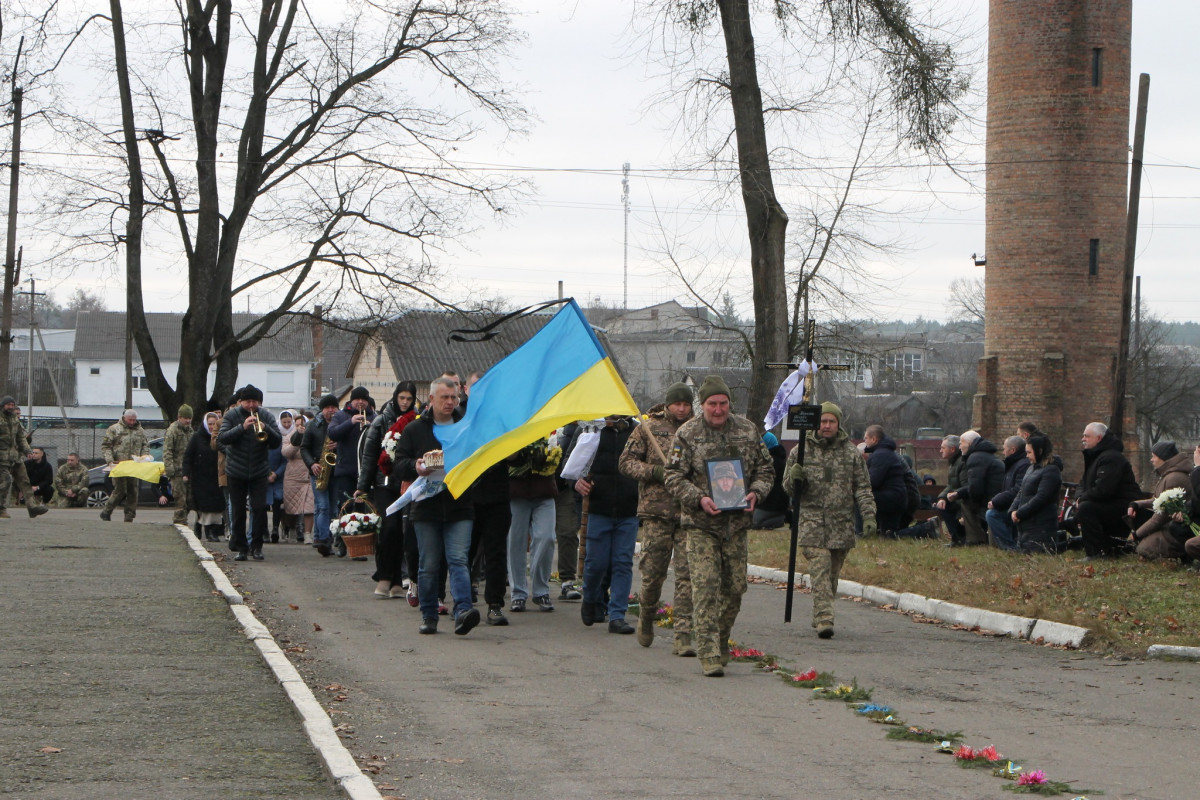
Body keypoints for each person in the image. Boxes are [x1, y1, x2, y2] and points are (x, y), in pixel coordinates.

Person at [664, 375, 773, 677]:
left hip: (736, 525)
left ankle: (721, 639)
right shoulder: (687, 434)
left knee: (735, 588)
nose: (718, 409)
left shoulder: (747, 430)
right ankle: (709, 651)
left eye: (723, 403)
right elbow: (672, 476)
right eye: (712, 404)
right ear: (703, 405)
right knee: (706, 587)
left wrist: (757, 492)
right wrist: (698, 499)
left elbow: (766, 468)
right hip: (701, 525)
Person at [393, 376, 480, 636]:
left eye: (454, 397)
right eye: (445, 397)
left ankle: (463, 611)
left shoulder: (465, 427)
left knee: (458, 560)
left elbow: (477, 460)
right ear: (431, 399)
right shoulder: (415, 430)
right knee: (429, 564)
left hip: (459, 505)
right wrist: (416, 466)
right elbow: (399, 463)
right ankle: (429, 615)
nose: (450, 402)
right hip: (426, 508)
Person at [783, 401, 876, 640]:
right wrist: (795, 479)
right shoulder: (800, 451)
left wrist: (868, 515)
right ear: (816, 423)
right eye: (823, 421)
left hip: (841, 524)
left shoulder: (851, 453)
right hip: (811, 521)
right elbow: (788, 489)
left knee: (832, 574)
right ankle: (825, 618)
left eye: (831, 422)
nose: (826, 426)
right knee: (820, 570)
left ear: (838, 424)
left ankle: (819, 611)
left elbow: (862, 488)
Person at [619, 381, 695, 653]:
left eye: (686, 404)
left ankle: (683, 634)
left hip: (688, 512)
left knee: (688, 575)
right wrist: (654, 472)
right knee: (653, 573)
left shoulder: (697, 430)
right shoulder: (648, 428)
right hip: (657, 512)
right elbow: (626, 463)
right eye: (677, 404)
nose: (682, 409)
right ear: (668, 404)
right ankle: (647, 616)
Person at [357, 382, 419, 599]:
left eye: (409, 399)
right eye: (401, 398)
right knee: (389, 528)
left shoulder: (417, 420)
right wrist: (362, 486)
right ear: (395, 398)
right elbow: (370, 454)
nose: (404, 402)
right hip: (384, 482)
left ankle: (396, 580)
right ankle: (384, 576)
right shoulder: (382, 420)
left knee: (404, 531)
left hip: (409, 482)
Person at [218, 385, 282, 561]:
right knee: (238, 511)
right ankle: (241, 548)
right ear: (241, 402)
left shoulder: (267, 416)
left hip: (259, 470)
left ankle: (257, 546)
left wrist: (266, 429)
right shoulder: (231, 415)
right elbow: (221, 438)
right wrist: (242, 427)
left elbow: (277, 443)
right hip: (235, 471)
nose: (251, 405)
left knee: (259, 509)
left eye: (255, 402)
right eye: (248, 402)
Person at [507, 438, 560, 614]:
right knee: (515, 542)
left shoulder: (548, 424)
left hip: (544, 490)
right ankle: (518, 593)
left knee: (547, 538)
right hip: (516, 491)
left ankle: (541, 590)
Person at [1076, 422, 1141, 559]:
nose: (1083, 439)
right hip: (1109, 503)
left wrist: (1083, 499)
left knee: (1086, 508)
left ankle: (1094, 553)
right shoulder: (1096, 457)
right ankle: (1104, 548)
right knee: (1085, 505)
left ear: (1099, 438)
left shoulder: (1111, 458)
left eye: (1086, 436)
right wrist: (1079, 496)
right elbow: (1084, 483)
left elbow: (1104, 489)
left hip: (1121, 506)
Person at [1129, 441, 1194, 560]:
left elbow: (1160, 517)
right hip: (1169, 524)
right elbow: (1158, 500)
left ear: (1164, 458)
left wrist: (1136, 535)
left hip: (1175, 529)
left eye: (1154, 456)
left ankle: (1179, 555)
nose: (1151, 460)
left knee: (1144, 549)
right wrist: (1137, 504)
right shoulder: (1169, 474)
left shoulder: (1175, 478)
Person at [944, 430, 1004, 546]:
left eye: (961, 443)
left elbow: (975, 490)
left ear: (970, 444)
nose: (959, 447)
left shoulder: (975, 457)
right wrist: (959, 493)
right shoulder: (985, 455)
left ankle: (975, 540)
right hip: (995, 496)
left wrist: (962, 497)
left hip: (990, 500)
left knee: (966, 503)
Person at [302, 393, 341, 556]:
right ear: (322, 410)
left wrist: (339, 445)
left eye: (333, 407)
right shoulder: (313, 425)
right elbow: (304, 448)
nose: (330, 411)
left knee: (331, 508)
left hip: (336, 471)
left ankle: (321, 537)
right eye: (327, 408)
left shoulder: (341, 423)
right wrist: (312, 464)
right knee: (323, 506)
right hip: (318, 470)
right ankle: (324, 540)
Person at [1010, 434, 1063, 553]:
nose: (1027, 456)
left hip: (1041, 527)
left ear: (1039, 451)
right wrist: (1013, 509)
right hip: (1026, 529)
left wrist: (1020, 513)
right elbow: (1021, 491)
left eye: (1029, 452)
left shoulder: (1051, 470)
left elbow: (1042, 497)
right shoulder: (1032, 468)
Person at [328, 386, 375, 513]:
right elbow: (332, 433)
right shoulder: (340, 415)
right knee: (346, 507)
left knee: (365, 509)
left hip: (367, 473)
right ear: (351, 400)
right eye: (357, 399)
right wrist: (351, 422)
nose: (360, 402)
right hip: (346, 471)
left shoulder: (374, 417)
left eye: (363, 399)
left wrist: (371, 429)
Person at [99, 409, 149, 522]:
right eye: (130, 420)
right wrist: (110, 461)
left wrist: (144, 457)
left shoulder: (140, 431)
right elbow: (106, 446)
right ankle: (107, 511)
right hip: (119, 465)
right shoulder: (114, 429)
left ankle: (129, 515)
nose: (132, 422)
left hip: (134, 465)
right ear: (124, 418)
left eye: (134, 420)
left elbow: (145, 445)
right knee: (120, 490)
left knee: (133, 490)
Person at [184, 411, 225, 542]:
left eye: (214, 424)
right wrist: (186, 473)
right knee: (203, 505)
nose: (212, 426)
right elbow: (188, 456)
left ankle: (211, 530)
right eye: (210, 424)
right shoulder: (197, 437)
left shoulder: (221, 437)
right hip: (201, 476)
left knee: (216, 506)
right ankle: (203, 527)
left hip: (217, 475)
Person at [986, 436, 1032, 550]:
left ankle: (1009, 546)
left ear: (1012, 450)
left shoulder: (1022, 465)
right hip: (1011, 505)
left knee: (992, 515)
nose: (1003, 451)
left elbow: (1018, 489)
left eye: (1004, 448)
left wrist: (996, 501)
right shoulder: (1013, 464)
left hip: (1018, 507)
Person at [862, 424, 908, 535]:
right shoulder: (887, 452)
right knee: (891, 534)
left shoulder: (880, 455)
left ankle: (860, 531)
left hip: (890, 498)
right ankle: (926, 528)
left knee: (860, 498)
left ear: (874, 439)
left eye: (866, 438)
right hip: (897, 497)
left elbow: (873, 481)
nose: (865, 441)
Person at [280, 412, 314, 543]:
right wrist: (297, 439)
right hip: (293, 475)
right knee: (291, 505)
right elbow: (286, 453)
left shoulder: (311, 434)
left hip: (309, 473)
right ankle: (291, 528)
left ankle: (307, 534)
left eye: (302, 424)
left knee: (309, 507)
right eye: (297, 424)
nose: (300, 427)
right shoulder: (289, 436)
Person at [162, 404, 194, 526]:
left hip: (188, 471)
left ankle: (183, 519)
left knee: (190, 500)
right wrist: (170, 471)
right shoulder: (172, 430)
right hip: (176, 472)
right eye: (185, 418)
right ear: (179, 417)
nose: (188, 420)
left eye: (189, 418)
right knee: (180, 500)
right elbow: (167, 451)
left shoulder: (190, 431)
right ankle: (180, 523)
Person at [752, 431, 789, 530]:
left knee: (751, 522)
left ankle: (776, 521)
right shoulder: (781, 461)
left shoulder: (771, 463)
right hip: (778, 505)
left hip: (770, 505)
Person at [933, 434, 966, 546]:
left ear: (952, 449)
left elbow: (965, 487)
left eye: (943, 448)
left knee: (946, 506)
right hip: (957, 498)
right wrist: (942, 497)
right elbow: (951, 485)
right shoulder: (954, 462)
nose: (940, 450)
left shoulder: (961, 462)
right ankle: (956, 538)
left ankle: (959, 538)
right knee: (940, 504)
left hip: (962, 501)